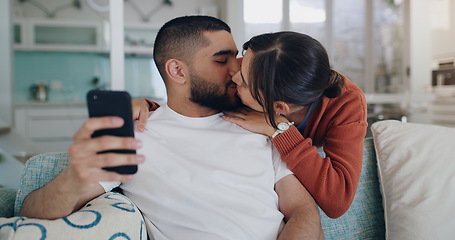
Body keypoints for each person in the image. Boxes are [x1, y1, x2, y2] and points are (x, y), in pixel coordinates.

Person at [20, 16, 323, 239]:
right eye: (222, 60)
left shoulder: (263, 126)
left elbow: (303, 212)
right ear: (177, 70)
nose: (237, 70)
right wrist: (76, 175)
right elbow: (31, 212)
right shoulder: (137, 133)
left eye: (238, 58)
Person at [135, 31, 367, 219]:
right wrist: (146, 108)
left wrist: (279, 130)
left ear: (278, 108)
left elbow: (337, 201)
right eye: (242, 60)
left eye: (243, 83)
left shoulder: (346, 104)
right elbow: (191, 97)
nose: (234, 75)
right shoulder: (258, 66)